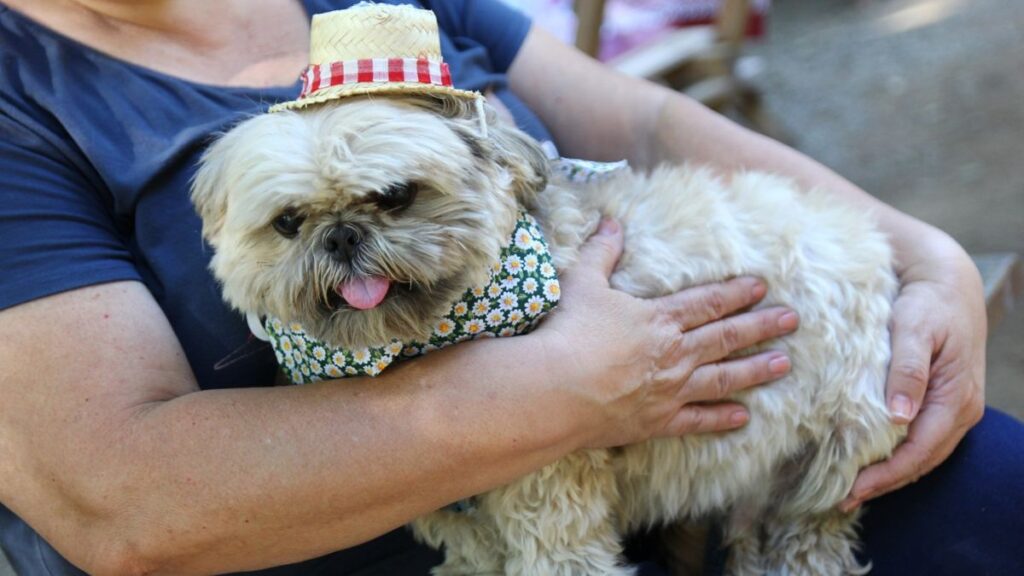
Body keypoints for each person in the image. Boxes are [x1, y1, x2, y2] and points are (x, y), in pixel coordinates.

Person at [0, 1, 1019, 575]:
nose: (349, 241)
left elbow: (649, 124)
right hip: (391, 551)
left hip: (713, 452)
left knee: (1001, 502)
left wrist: (923, 255)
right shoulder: (23, 98)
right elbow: (119, 504)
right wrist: (561, 388)